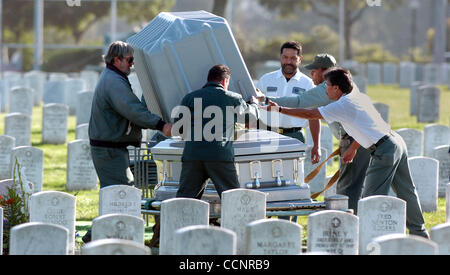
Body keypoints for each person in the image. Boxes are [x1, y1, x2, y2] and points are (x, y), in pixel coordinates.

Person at [259, 68, 429, 239]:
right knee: (407, 191)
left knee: (371, 199)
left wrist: (280, 110)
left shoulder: (342, 104)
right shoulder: (357, 96)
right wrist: (353, 148)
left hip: (384, 150)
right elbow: (367, 126)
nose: (325, 90)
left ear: (337, 89)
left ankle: (367, 240)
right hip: (395, 141)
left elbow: (311, 114)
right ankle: (420, 232)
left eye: (328, 86)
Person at [256, 54, 371, 213]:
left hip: (355, 143)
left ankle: (349, 223)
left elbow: (301, 104)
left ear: (325, 72)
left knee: (349, 187)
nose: (311, 75)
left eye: (314, 71)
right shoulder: (343, 86)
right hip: (361, 141)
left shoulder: (326, 88)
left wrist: (268, 100)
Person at [83, 41, 172, 243]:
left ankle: (93, 236)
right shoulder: (114, 81)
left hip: (111, 148)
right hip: (109, 150)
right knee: (121, 194)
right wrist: (161, 125)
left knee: (117, 194)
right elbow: (132, 109)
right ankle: (95, 237)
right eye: (130, 60)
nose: (132, 64)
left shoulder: (114, 77)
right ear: (117, 60)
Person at [174, 64, 259, 199]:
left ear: (208, 80)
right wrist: (254, 104)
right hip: (219, 155)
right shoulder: (233, 98)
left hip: (193, 155)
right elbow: (250, 117)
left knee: (185, 200)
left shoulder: (189, 98)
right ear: (225, 81)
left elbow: (179, 128)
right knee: (232, 198)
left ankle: (182, 221)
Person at [256, 41, 320, 146]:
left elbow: (313, 116)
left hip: (295, 136)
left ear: (300, 59)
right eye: (285, 57)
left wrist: (316, 146)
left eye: (293, 58)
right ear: (281, 57)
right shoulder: (266, 79)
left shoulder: (308, 84)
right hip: (267, 135)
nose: (288, 61)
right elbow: (255, 106)